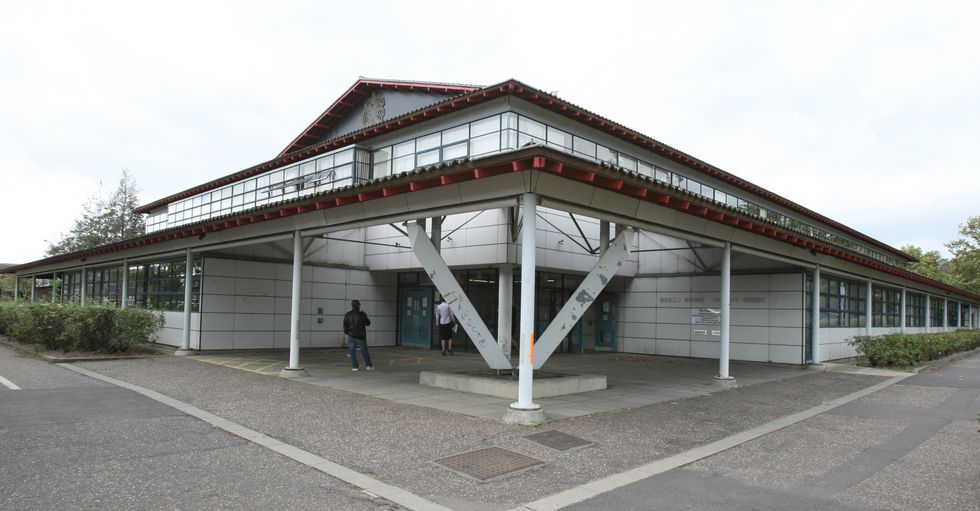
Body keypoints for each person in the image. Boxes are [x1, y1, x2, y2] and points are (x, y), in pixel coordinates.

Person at [343, 300, 373, 371]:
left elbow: (345, 325)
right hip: (361, 336)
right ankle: (368, 366)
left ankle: (355, 367)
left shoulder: (348, 314)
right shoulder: (362, 314)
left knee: (352, 352)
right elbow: (368, 323)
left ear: (352, 305)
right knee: (364, 351)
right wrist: (366, 316)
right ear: (358, 305)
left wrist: (348, 333)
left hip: (351, 336)